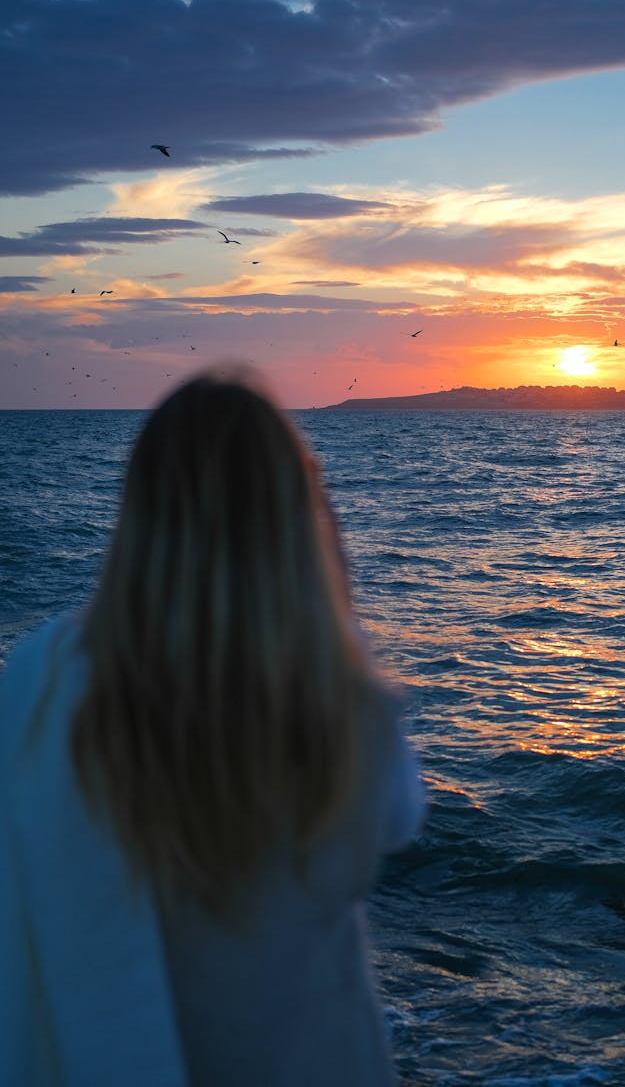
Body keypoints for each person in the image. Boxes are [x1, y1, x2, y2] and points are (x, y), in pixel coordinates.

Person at [0, 369, 424, 1087]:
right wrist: (334, 580)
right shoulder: (345, 709)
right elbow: (396, 823)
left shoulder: (45, 682)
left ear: (139, 513)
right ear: (295, 518)